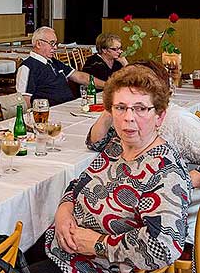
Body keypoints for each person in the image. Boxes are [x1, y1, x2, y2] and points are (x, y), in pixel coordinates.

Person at [30, 66, 190, 272]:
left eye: (141, 108)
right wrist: (64, 211)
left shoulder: (166, 172)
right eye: (120, 107)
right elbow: (78, 184)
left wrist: (98, 244)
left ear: (159, 116)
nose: (129, 117)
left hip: (91, 265)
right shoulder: (116, 146)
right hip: (60, 244)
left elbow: (163, 247)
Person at [86, 59, 200, 255]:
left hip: (163, 222)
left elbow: (161, 245)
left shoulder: (179, 121)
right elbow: (95, 143)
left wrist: (194, 177)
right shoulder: (126, 126)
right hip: (118, 222)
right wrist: (111, 106)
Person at [16, 26, 105, 108]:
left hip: (69, 106)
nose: (55, 48)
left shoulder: (53, 61)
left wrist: (107, 85)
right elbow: (24, 101)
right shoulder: (28, 67)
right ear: (39, 44)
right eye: (52, 43)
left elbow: (80, 77)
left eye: (56, 43)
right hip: (51, 112)